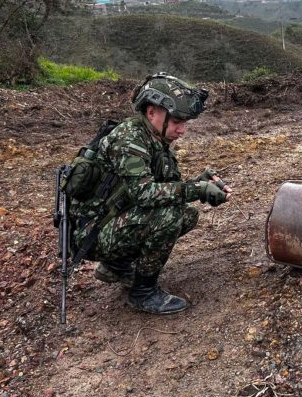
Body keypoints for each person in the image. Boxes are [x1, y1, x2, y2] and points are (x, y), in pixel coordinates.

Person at [70, 73, 232, 314]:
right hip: (91, 234)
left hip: (109, 222)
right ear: (151, 112)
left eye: (185, 123)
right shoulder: (129, 140)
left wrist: (200, 183)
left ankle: (115, 266)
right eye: (176, 121)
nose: (182, 130)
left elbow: (167, 188)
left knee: (186, 214)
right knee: (169, 217)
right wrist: (197, 190)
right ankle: (143, 292)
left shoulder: (155, 139)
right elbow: (145, 194)